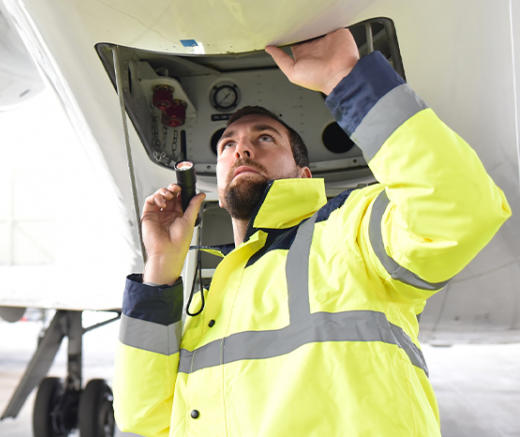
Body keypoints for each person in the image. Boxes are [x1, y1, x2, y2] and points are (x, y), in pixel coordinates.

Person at [114, 28, 511, 436]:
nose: (241, 150)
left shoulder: (347, 231)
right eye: (227, 145)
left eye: (263, 138)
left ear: (303, 174)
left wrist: (348, 78)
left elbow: (460, 209)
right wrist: (160, 269)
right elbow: (144, 417)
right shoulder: (215, 298)